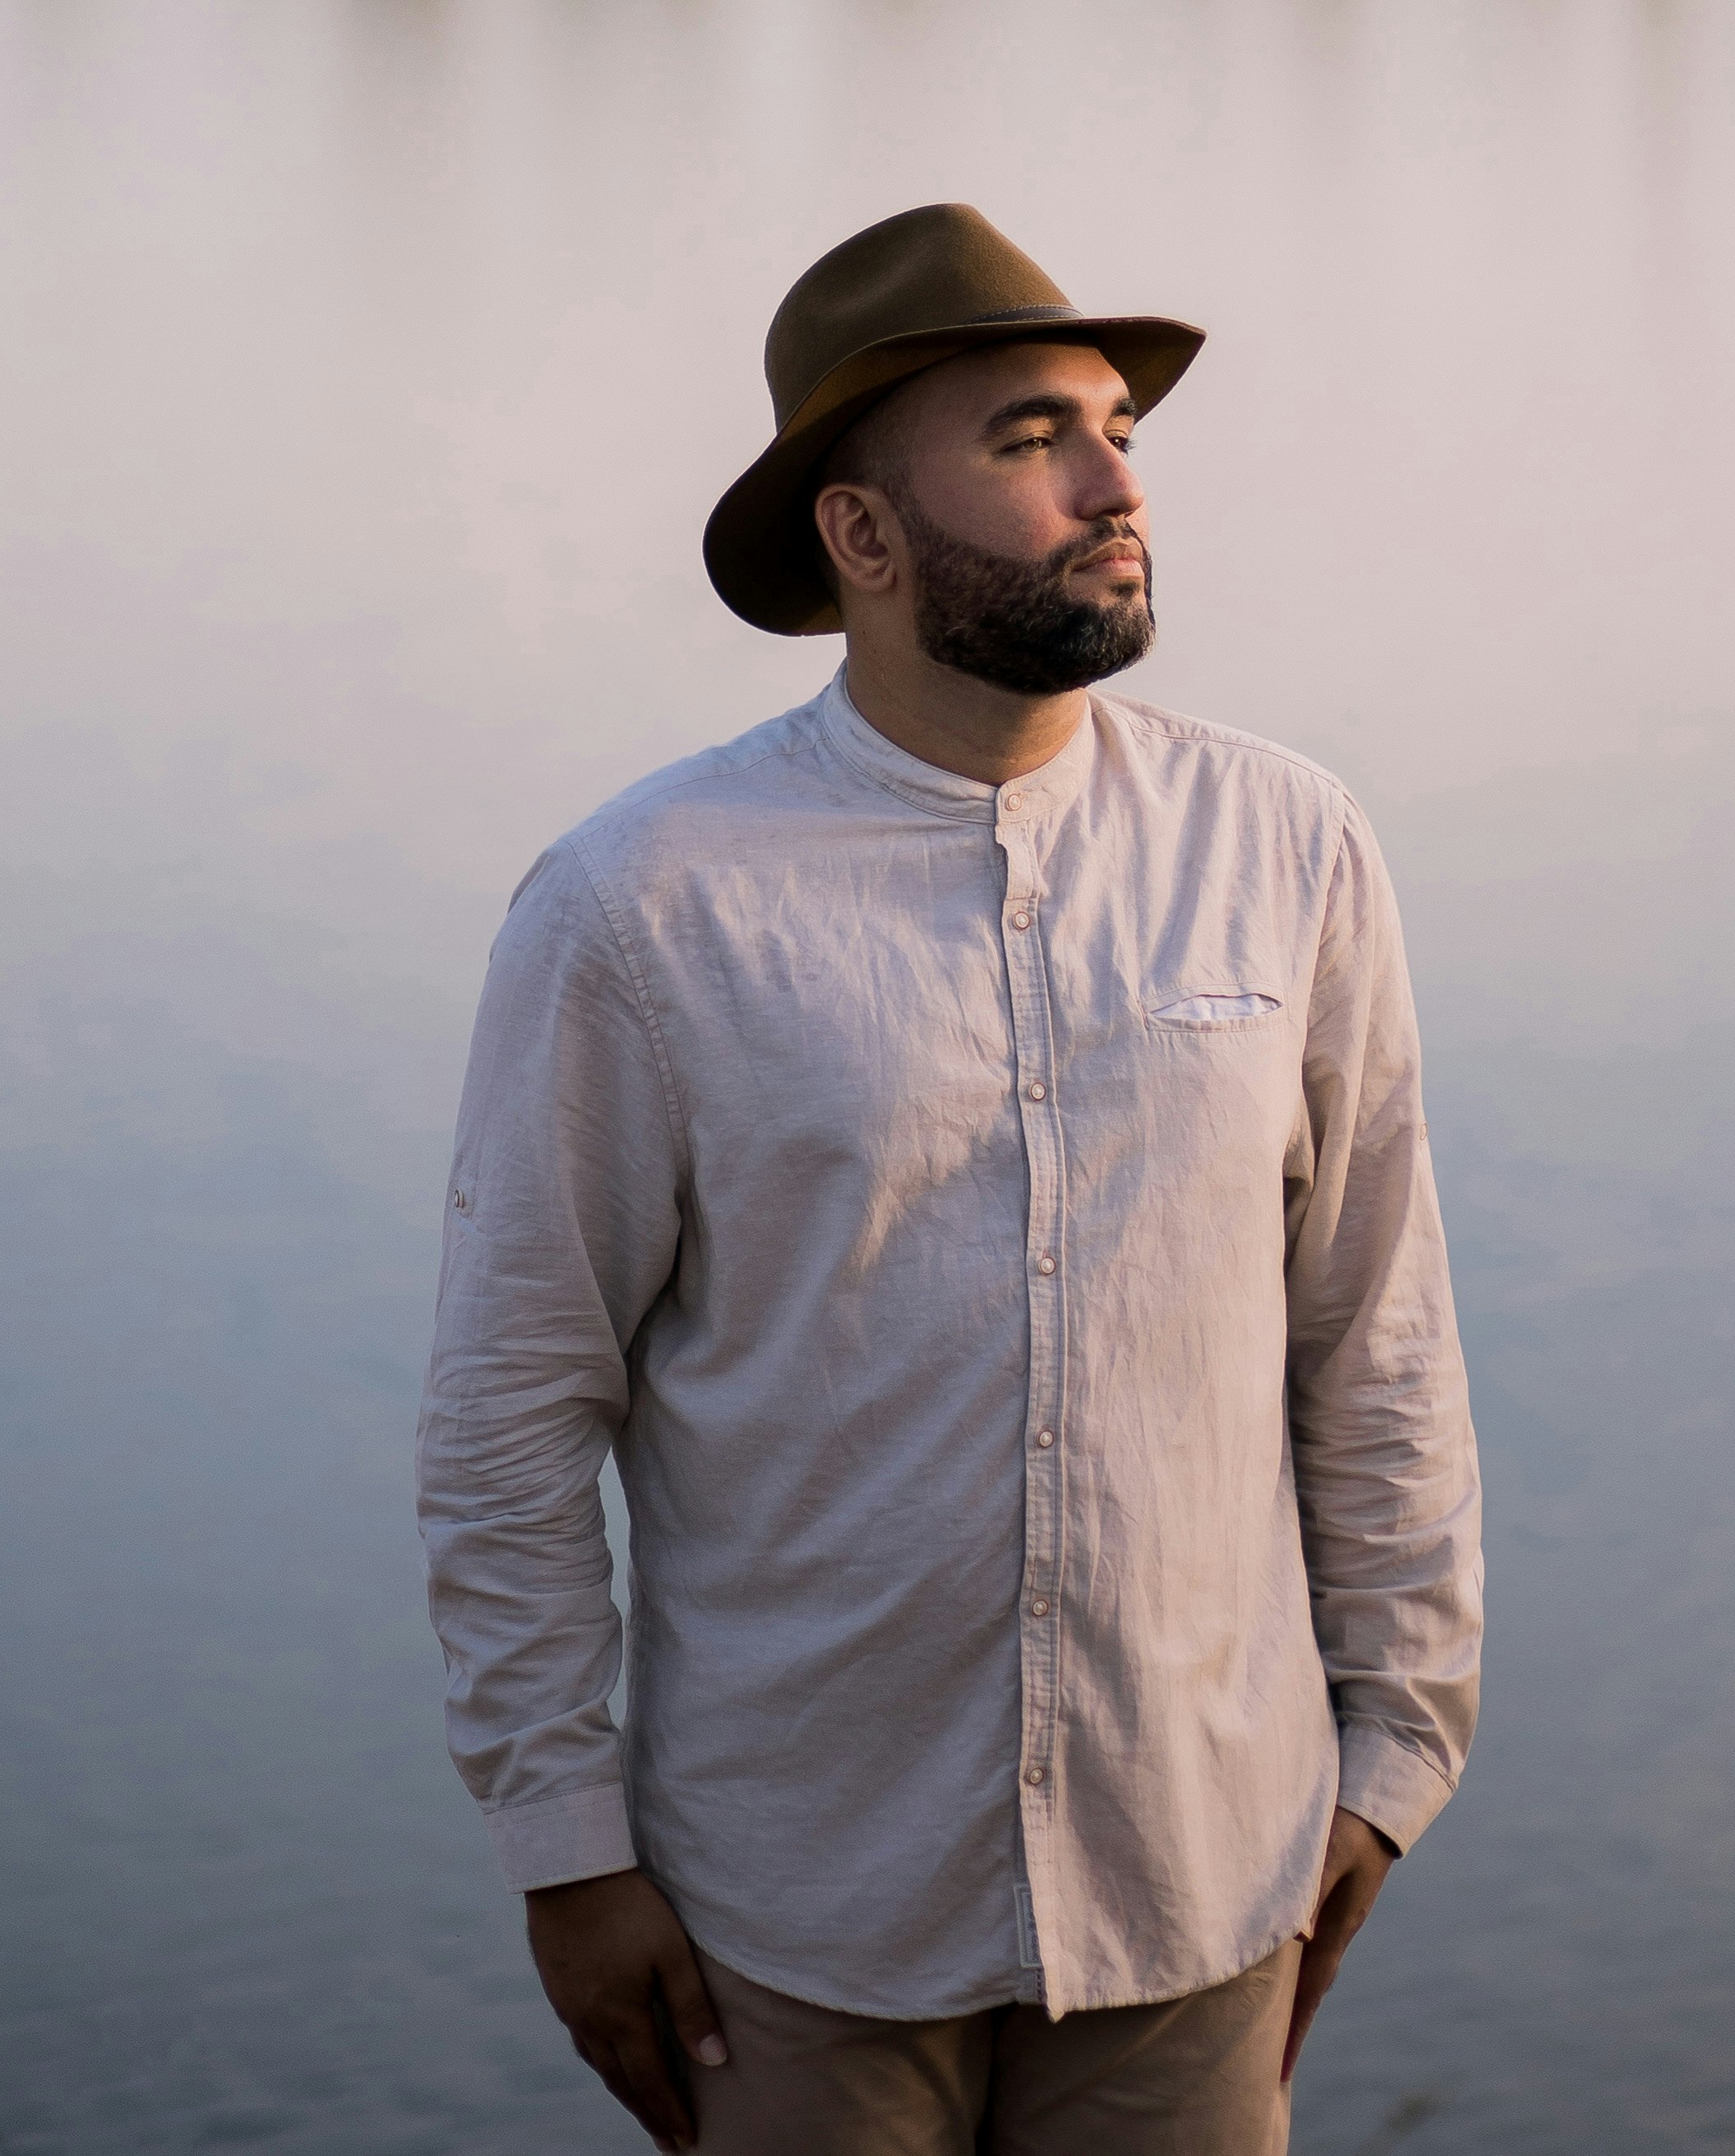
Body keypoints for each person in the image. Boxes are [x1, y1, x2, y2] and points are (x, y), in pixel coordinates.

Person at [416, 201, 1482, 2152]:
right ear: (861, 536)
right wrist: (563, 1847)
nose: (1110, 480)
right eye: (1026, 437)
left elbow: (1373, 1329)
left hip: (1205, 1873)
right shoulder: (643, 906)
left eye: (1116, 430)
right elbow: (509, 1409)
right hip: (794, 1919)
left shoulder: (1288, 842)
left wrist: (1393, 1746)